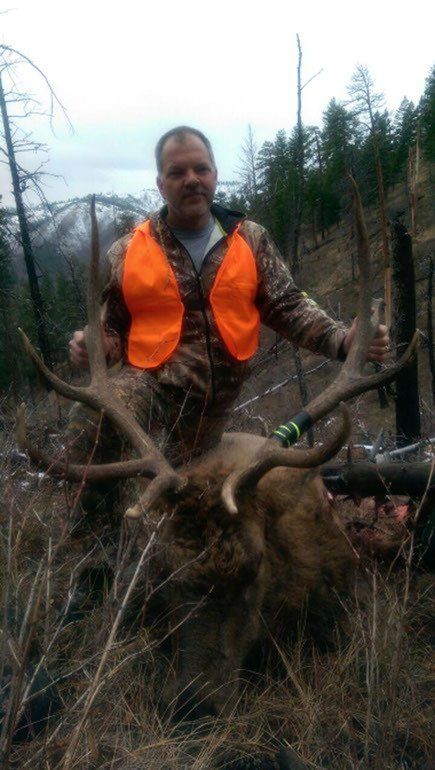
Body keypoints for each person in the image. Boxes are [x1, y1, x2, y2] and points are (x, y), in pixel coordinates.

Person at [68, 126, 389, 470]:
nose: (192, 180)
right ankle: (102, 507)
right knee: (93, 418)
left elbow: (288, 306)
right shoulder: (126, 252)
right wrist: (94, 347)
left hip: (214, 416)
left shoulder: (250, 240)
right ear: (161, 184)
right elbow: (112, 331)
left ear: (215, 175)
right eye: (177, 173)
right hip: (152, 400)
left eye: (201, 169)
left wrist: (342, 341)